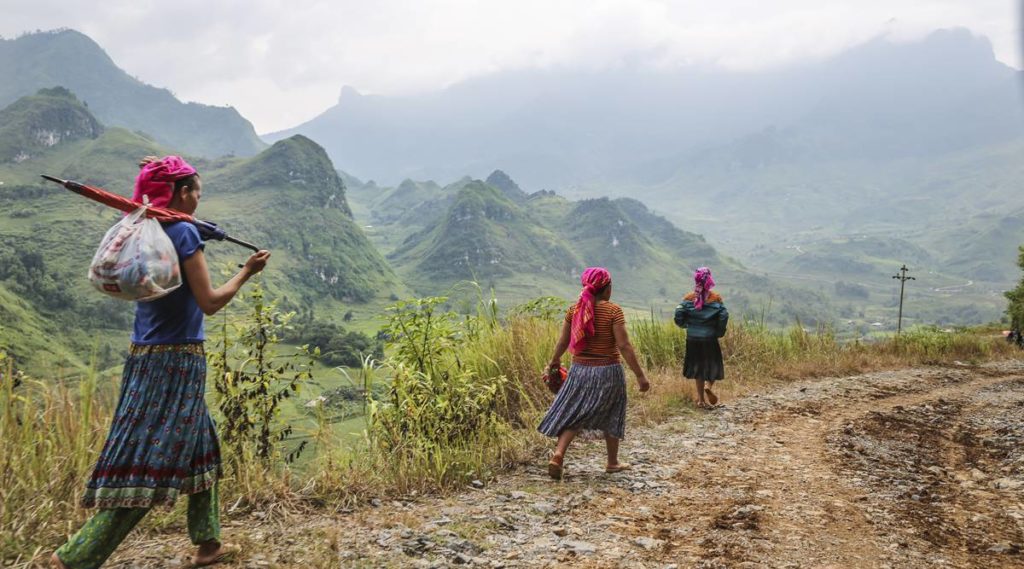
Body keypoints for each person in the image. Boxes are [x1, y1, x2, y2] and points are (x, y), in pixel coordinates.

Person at [53, 156, 271, 569]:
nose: (197, 201)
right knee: (154, 462)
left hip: (144, 353)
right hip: (178, 358)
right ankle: (76, 557)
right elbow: (209, 303)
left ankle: (208, 545)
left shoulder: (145, 224)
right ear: (182, 193)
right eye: (196, 193)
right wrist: (247, 272)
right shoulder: (185, 232)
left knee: (200, 444)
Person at [538, 267, 650, 480]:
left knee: (574, 412)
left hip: (579, 370)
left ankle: (559, 454)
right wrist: (640, 375)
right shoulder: (613, 311)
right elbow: (624, 345)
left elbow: (563, 341)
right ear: (606, 289)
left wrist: (554, 361)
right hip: (608, 370)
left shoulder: (574, 310)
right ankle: (612, 462)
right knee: (613, 411)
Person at [674, 267, 729, 409]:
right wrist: (719, 332)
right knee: (712, 365)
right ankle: (708, 385)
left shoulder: (688, 298)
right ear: (709, 280)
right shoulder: (716, 299)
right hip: (709, 338)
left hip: (692, 339)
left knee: (698, 367)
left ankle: (700, 400)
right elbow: (724, 315)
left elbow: (678, 312)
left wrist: (685, 325)